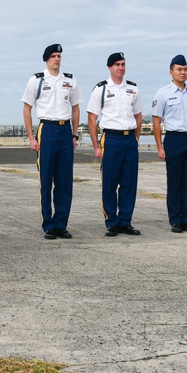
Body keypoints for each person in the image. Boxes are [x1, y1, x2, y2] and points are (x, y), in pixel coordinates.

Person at [21, 44, 83, 239]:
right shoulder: (37, 80)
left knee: (64, 181)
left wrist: (74, 135)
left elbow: (75, 108)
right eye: (53, 56)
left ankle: (61, 224)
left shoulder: (70, 80)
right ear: (46, 59)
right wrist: (31, 137)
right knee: (46, 180)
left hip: (65, 131)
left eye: (59, 56)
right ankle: (48, 224)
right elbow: (27, 108)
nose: (57, 59)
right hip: (46, 129)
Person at [88, 52, 143, 237]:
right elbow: (92, 118)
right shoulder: (101, 89)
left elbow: (138, 115)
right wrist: (96, 146)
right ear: (110, 67)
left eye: (123, 64)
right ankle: (111, 221)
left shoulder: (133, 89)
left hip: (129, 140)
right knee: (110, 183)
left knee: (129, 183)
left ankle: (125, 222)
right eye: (117, 64)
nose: (121, 67)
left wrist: (136, 139)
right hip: (111, 139)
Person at [151, 54, 187, 233]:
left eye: (185, 69)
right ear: (171, 72)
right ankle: (175, 219)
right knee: (174, 181)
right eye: (179, 69)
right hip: (174, 139)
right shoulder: (163, 93)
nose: (183, 72)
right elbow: (156, 122)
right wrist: (160, 147)